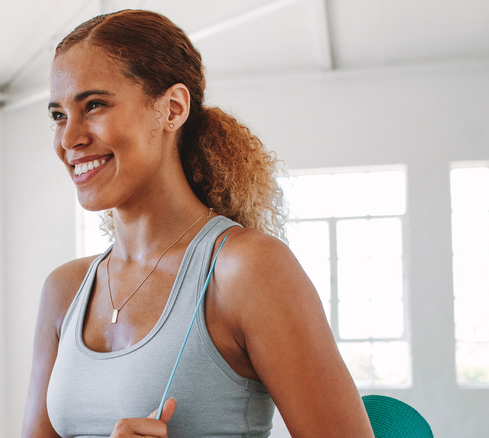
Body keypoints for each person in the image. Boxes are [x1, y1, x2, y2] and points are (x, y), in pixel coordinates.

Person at [22, 9, 374, 438]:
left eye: (94, 105)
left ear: (171, 109)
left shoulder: (248, 270)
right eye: (58, 115)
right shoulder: (64, 291)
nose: (68, 138)